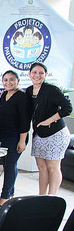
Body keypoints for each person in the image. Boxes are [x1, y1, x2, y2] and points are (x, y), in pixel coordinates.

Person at [26, 62, 72, 195]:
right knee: (41, 167)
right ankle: (42, 197)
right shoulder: (29, 90)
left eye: (41, 73)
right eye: (34, 72)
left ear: (45, 75)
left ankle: (51, 197)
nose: (37, 75)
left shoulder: (52, 90)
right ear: (29, 74)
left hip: (56, 133)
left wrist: (49, 120)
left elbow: (67, 108)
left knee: (53, 167)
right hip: (39, 134)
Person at [0, 70, 30, 208]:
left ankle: (4, 197)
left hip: (16, 136)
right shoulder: (4, 95)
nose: (8, 82)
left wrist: (22, 140)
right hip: (3, 135)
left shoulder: (21, 97)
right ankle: (10, 194)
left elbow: (25, 120)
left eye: (12, 79)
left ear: (18, 81)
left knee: (9, 165)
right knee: (8, 165)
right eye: (5, 80)